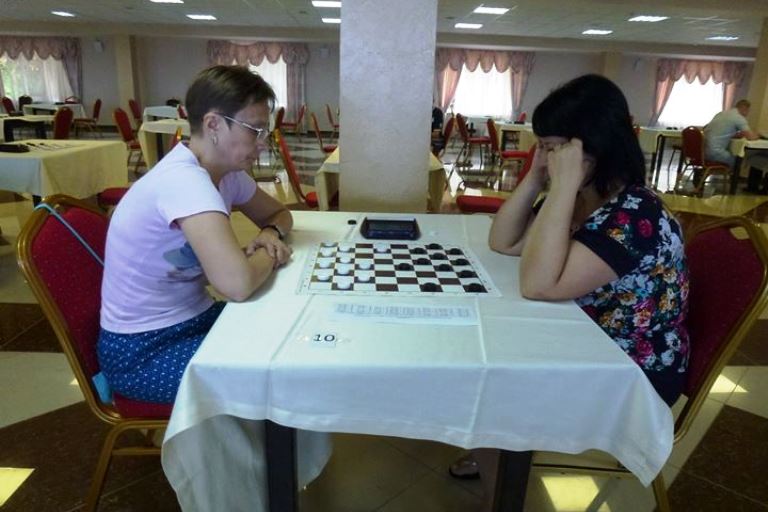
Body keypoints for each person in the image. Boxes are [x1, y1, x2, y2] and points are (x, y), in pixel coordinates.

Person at [451, 75, 690, 505]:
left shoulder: (636, 213)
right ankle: (497, 454)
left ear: (593, 147)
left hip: (631, 370)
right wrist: (535, 178)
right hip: (585, 333)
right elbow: (504, 242)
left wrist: (561, 187)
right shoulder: (582, 197)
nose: (545, 157)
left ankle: (499, 487)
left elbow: (539, 284)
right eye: (541, 147)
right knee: (484, 352)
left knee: (495, 385)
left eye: (554, 148)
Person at [98, 65, 294, 404]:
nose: (263, 143)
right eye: (255, 130)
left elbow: (281, 214)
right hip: (142, 349)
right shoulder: (184, 181)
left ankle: (266, 436)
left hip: (194, 319)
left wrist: (270, 231)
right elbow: (237, 285)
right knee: (276, 371)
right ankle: (256, 439)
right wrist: (271, 250)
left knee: (287, 334)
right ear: (214, 124)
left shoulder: (226, 173)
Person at [704, 99, 768, 193]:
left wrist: (735, 134)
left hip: (704, 151)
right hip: (716, 153)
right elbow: (751, 137)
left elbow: (715, 130)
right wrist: (759, 135)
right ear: (745, 109)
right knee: (738, 161)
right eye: (748, 111)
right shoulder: (739, 118)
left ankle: (703, 174)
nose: (747, 113)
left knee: (744, 157)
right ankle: (732, 189)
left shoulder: (721, 114)